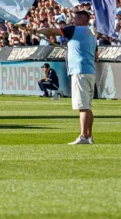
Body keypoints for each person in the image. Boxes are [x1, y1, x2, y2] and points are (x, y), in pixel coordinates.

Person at [38, 10, 97, 145]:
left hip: (79, 71)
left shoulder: (75, 29)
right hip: (89, 71)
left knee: (83, 106)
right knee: (87, 106)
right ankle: (89, 136)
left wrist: (39, 31)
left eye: (75, 18)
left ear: (82, 20)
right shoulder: (91, 34)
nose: (73, 20)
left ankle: (83, 136)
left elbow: (53, 32)